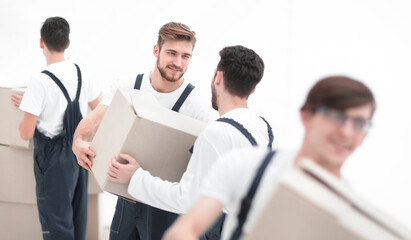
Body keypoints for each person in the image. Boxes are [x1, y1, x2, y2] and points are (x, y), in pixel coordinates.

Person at [163, 76, 376, 240]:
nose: (347, 132)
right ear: (306, 116)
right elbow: (185, 230)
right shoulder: (242, 166)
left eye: (359, 123)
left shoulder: (352, 213)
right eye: (336, 117)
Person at [107, 45, 276, 239]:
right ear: (253, 89)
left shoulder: (215, 133)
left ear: (218, 78)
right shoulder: (264, 128)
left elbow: (186, 199)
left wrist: (135, 177)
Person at [72, 22, 214, 240]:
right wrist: (79, 141)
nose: (178, 62)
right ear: (156, 51)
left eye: (186, 56)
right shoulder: (129, 86)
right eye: (172, 53)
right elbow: (95, 120)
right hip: (126, 199)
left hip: (165, 207)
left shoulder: (198, 108)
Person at [14, 17, 101, 240]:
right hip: (80, 153)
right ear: (68, 43)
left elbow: (25, 133)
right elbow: (100, 110)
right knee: (77, 219)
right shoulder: (81, 72)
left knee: (57, 226)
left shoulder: (39, 82)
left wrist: (28, 108)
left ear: (41, 42)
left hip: (53, 161)